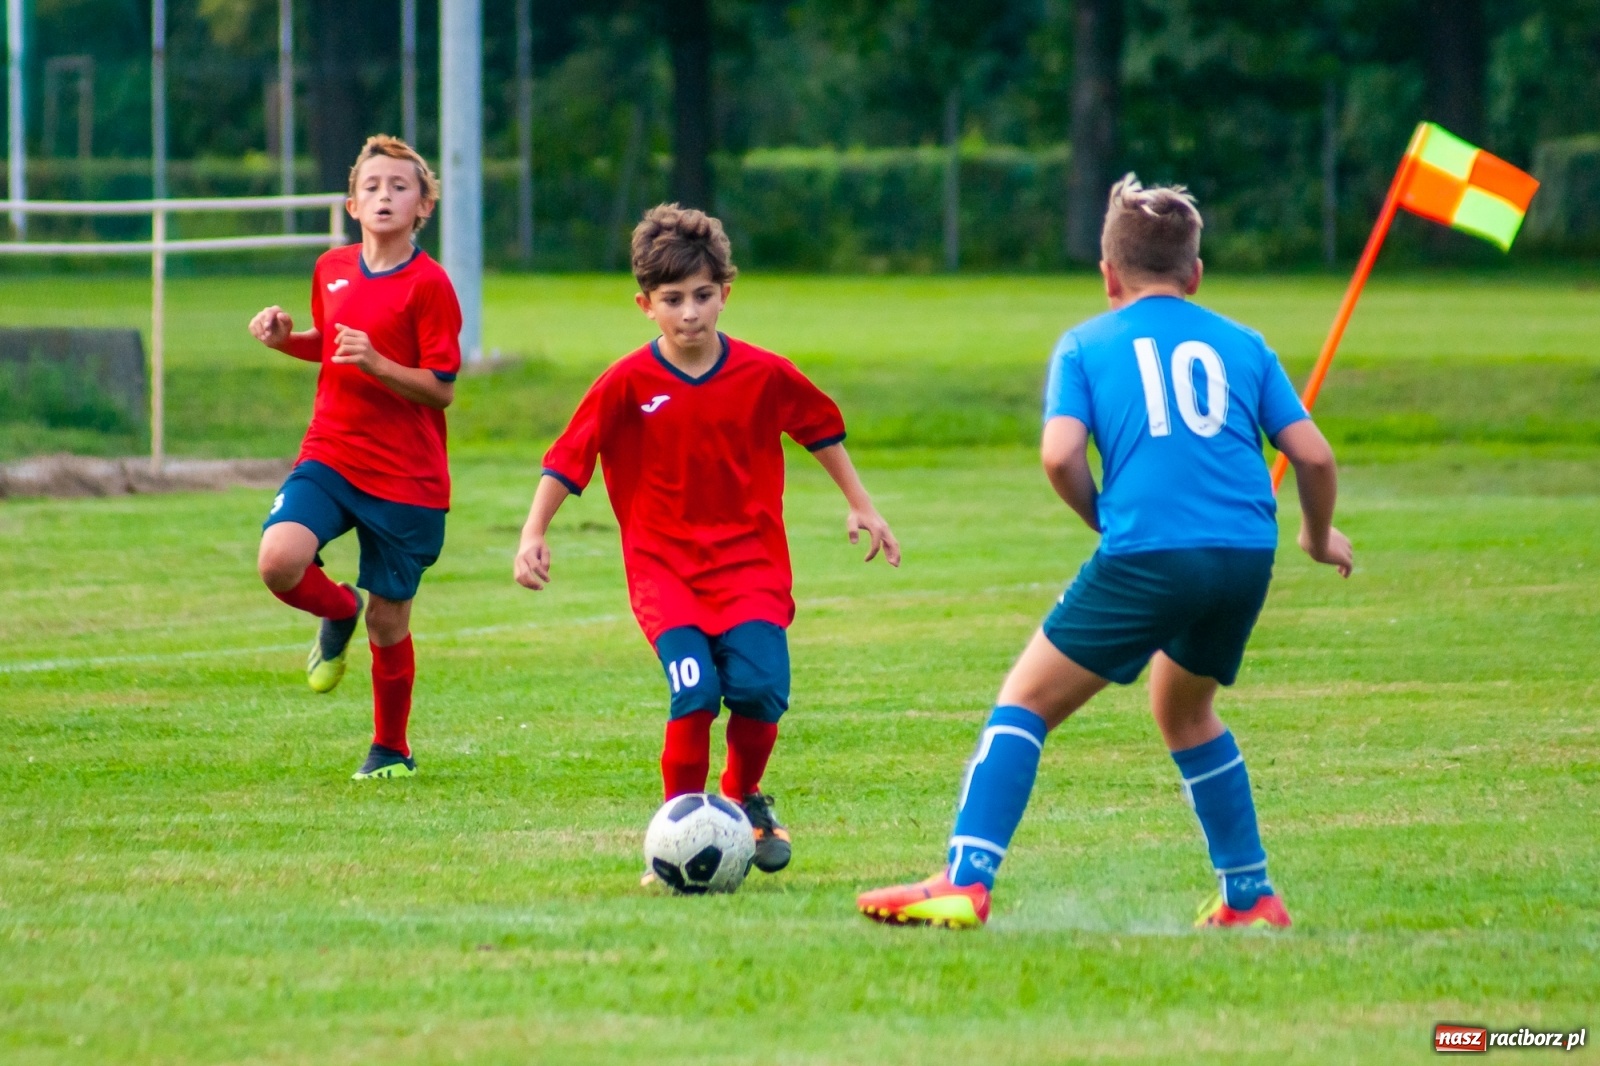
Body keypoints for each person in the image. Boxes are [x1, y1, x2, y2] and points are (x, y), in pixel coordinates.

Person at [857, 175, 1353, 929]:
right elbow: (1313, 458)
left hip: (1151, 552)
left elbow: (1059, 457)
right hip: (1246, 554)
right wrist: (1315, 537)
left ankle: (965, 878)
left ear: (1107, 275)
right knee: (1185, 712)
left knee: (1025, 701)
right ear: (1195, 274)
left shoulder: (1086, 343)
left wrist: (1105, 520)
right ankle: (1249, 895)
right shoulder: (1243, 343)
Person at [515, 203, 900, 877]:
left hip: (751, 568)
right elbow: (569, 457)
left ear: (726, 292)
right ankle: (676, 830)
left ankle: (743, 796)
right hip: (665, 574)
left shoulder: (764, 373)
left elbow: (820, 430)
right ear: (645, 304)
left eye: (701, 296)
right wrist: (532, 532)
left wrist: (861, 505)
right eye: (672, 300)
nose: (689, 313)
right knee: (693, 695)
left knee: (759, 691)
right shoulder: (626, 383)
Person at [247, 134, 462, 781]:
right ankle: (339, 609)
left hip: (408, 479)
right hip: (332, 454)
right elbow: (333, 345)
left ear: (424, 205)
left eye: (400, 187)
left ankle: (391, 749)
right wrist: (289, 341)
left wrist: (378, 361)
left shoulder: (430, 286)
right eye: (372, 187)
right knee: (279, 561)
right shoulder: (331, 268)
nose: (384, 196)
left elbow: (441, 387)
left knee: (391, 620)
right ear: (351, 203)